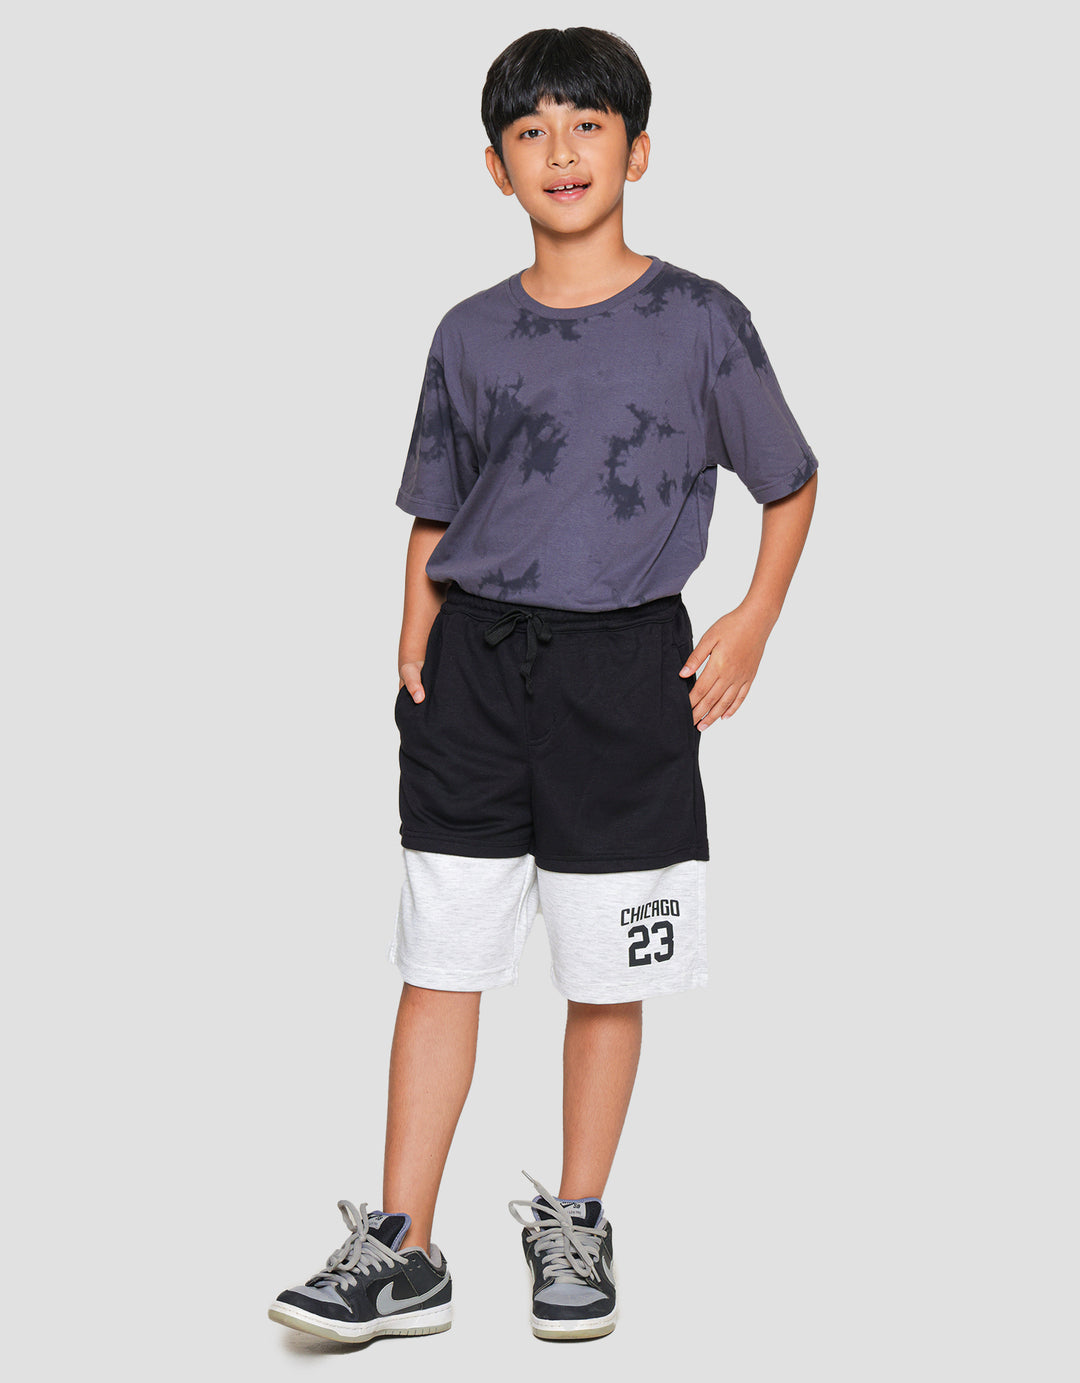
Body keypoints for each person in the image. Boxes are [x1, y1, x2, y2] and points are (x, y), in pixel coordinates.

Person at [269, 25, 819, 1346]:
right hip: (472, 671)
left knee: (602, 967)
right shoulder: (469, 332)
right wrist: (414, 636)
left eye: (587, 125)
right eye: (531, 131)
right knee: (440, 955)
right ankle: (403, 1246)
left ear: (639, 150)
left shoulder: (701, 320)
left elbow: (790, 479)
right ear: (495, 166)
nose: (560, 151)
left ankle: (578, 1223)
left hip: (624, 674)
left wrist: (752, 619)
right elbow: (436, 504)